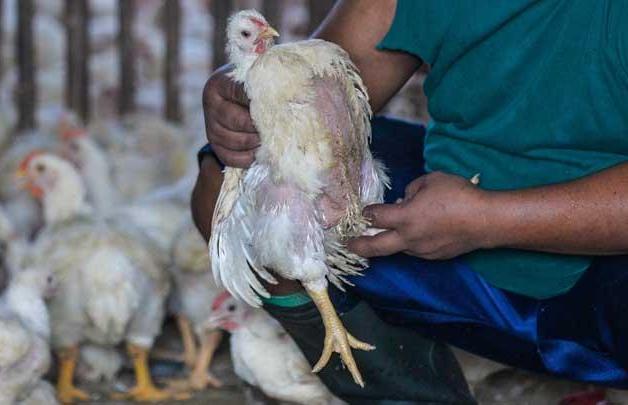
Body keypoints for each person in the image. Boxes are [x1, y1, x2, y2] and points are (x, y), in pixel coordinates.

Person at [192, 1, 628, 403]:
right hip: (443, 230)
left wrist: (490, 221)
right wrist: (257, 93)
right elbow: (330, 89)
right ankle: (406, 389)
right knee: (235, 187)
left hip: (602, 272)